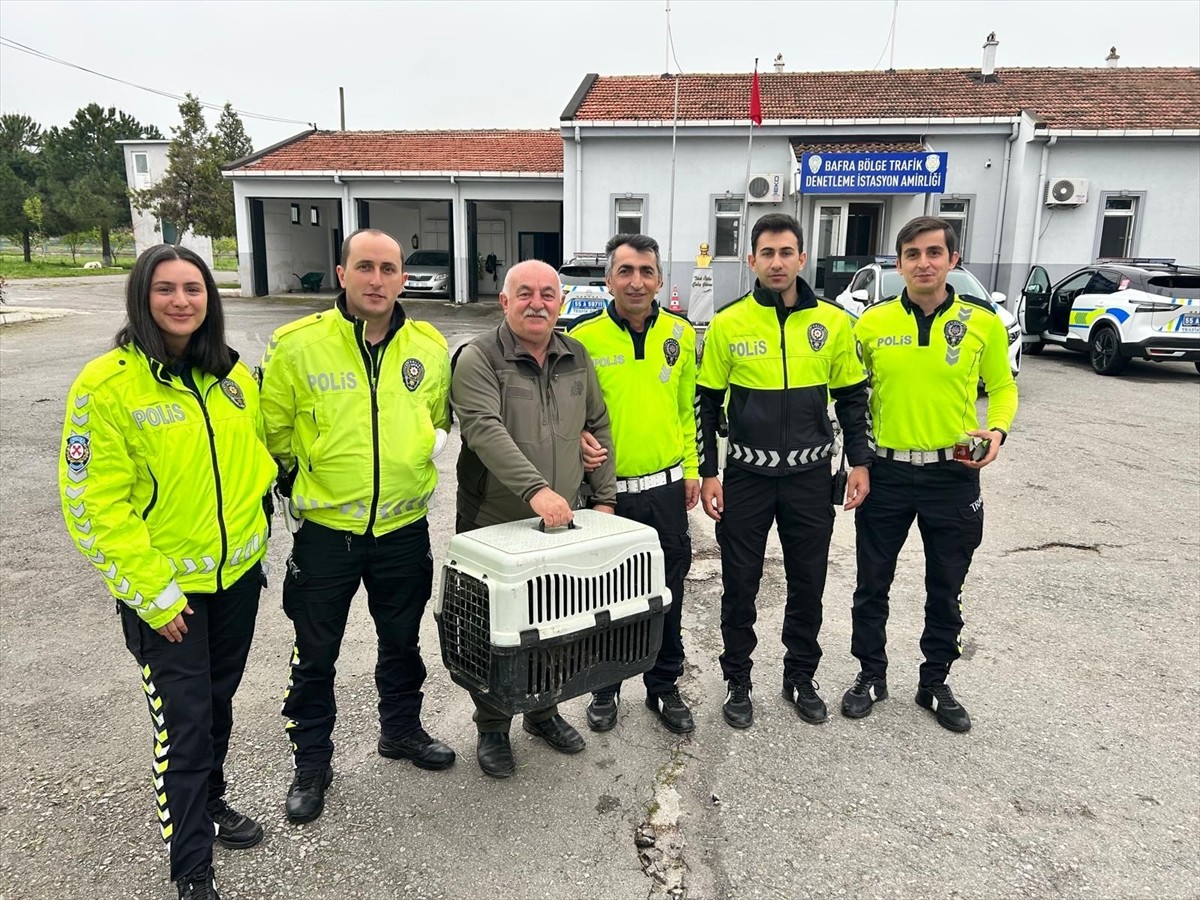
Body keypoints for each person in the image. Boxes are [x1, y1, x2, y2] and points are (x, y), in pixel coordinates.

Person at [59, 244, 276, 900]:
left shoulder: (232, 379)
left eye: (194, 288)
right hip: (168, 597)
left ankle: (212, 803)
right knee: (182, 725)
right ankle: (191, 868)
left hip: (236, 581)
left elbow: (258, 460)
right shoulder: (105, 385)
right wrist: (153, 592)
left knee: (218, 705)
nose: (181, 300)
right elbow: (92, 505)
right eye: (165, 289)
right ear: (142, 298)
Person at [260, 228, 454, 825]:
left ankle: (400, 731)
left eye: (388, 268)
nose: (377, 280)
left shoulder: (428, 344)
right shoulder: (296, 345)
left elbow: (437, 419)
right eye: (364, 267)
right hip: (326, 536)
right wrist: (308, 479)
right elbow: (275, 432)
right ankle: (312, 763)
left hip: (402, 530)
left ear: (402, 278)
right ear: (341, 274)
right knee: (315, 655)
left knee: (402, 642)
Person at [696, 212, 874, 730]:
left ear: (802, 257)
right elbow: (706, 405)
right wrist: (709, 471)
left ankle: (800, 676)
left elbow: (851, 400)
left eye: (786, 252)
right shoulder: (729, 322)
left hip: (810, 478)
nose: (777, 263)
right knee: (740, 584)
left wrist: (859, 461)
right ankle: (738, 680)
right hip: (747, 479)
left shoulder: (835, 323)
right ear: (752, 260)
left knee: (808, 583)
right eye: (766, 253)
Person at [842, 215, 1018, 733]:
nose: (923, 263)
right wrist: (856, 458)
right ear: (898, 264)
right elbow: (851, 395)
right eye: (912, 254)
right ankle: (870, 674)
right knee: (872, 585)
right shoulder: (871, 324)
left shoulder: (981, 323)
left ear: (953, 260)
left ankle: (935, 681)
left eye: (934, 253)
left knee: (946, 585)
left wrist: (999, 431)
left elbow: (1003, 389)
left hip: (953, 474)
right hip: (887, 474)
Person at [451, 259, 618, 778]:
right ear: (505, 302)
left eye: (549, 294)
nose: (537, 303)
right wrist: (536, 490)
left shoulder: (576, 355)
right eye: (525, 293)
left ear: (561, 304)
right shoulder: (479, 358)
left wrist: (605, 499)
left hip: (559, 525)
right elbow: (483, 429)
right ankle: (493, 726)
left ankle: (543, 710)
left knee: (552, 626)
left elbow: (599, 424)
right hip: (493, 523)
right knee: (495, 633)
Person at [568, 233, 698, 735]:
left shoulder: (682, 334)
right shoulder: (583, 337)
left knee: (668, 592)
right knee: (605, 594)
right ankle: (605, 685)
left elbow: (687, 411)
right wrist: (578, 435)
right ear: (609, 280)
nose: (636, 281)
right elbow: (567, 408)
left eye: (646, 271)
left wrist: (690, 471)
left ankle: (663, 686)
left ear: (660, 279)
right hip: (606, 494)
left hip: (665, 489)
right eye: (625, 271)